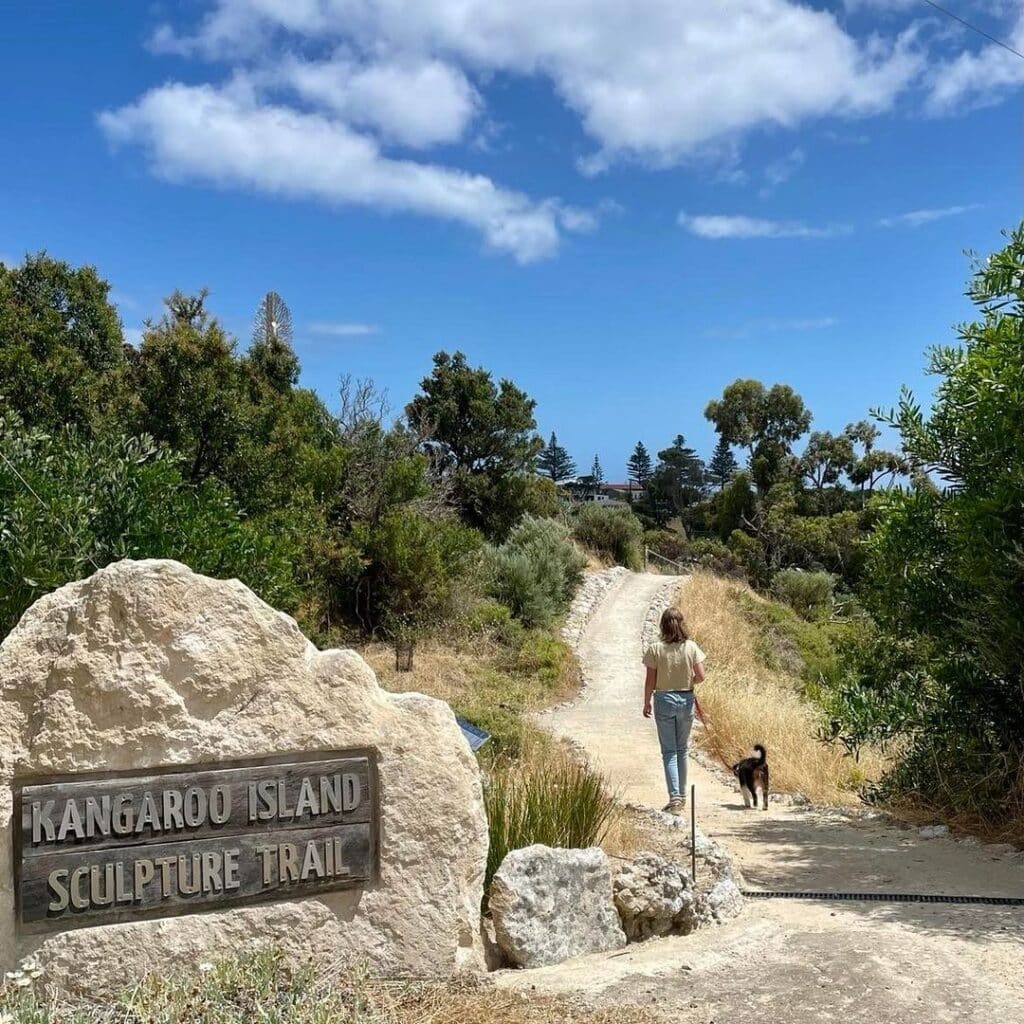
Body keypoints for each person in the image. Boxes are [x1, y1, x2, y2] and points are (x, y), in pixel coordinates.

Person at [642, 607, 706, 814]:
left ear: (662, 624)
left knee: (669, 751)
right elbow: (701, 676)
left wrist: (646, 702)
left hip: (664, 699)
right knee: (682, 749)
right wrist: (689, 681)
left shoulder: (655, 648)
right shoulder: (691, 647)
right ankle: (683, 795)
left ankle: (675, 797)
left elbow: (650, 680)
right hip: (686, 698)